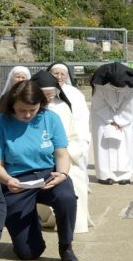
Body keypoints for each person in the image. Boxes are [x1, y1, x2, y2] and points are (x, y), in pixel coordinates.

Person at [0, 80, 78, 261]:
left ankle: (66, 245)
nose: (27, 115)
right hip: (16, 180)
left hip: (48, 174)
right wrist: (9, 180)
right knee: (28, 253)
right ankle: (30, 224)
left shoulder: (50, 118)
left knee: (67, 197)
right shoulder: (1, 122)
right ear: (12, 106)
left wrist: (63, 174)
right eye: (21, 110)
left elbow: (61, 154)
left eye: (32, 110)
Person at [34, 70, 91, 236]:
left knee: (76, 179)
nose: (50, 98)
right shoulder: (29, 109)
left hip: (66, 156)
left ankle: (72, 224)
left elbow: (74, 135)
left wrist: (67, 154)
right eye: (46, 95)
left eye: (52, 94)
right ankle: (47, 219)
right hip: (40, 159)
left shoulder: (62, 106)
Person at [90, 62, 133, 184]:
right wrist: (111, 121)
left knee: (124, 146)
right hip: (102, 117)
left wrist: (120, 121)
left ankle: (123, 175)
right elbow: (98, 105)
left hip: (124, 119)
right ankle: (104, 175)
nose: (118, 90)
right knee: (103, 145)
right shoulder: (100, 85)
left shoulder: (130, 86)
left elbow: (129, 106)